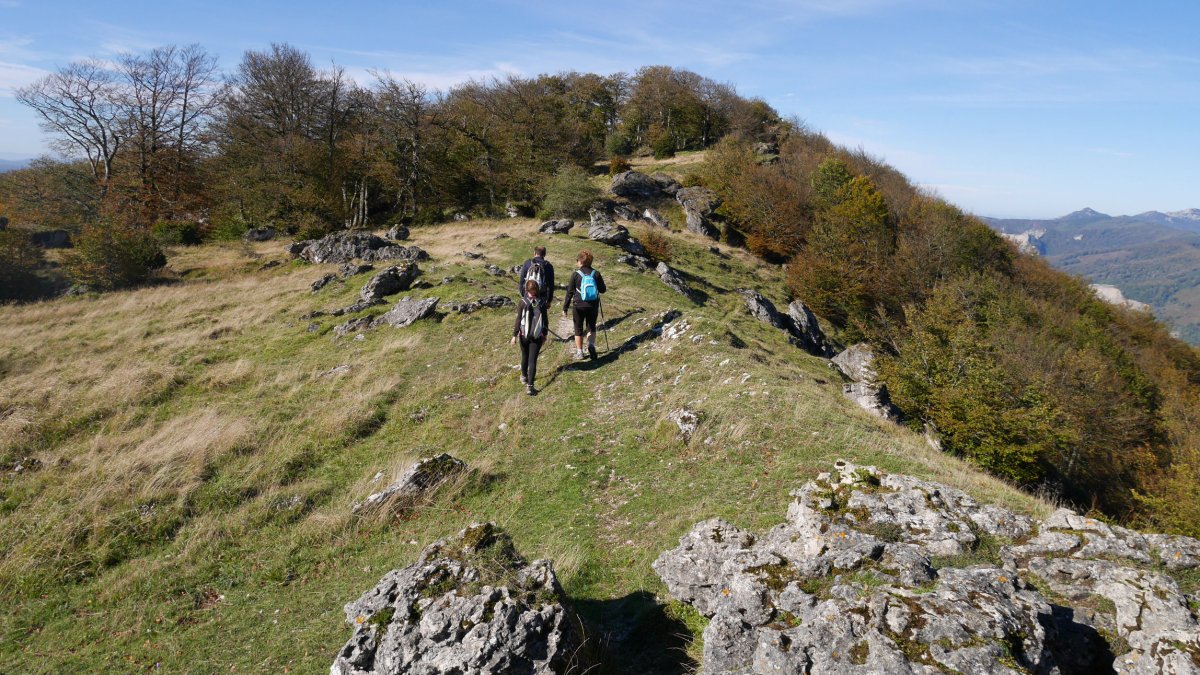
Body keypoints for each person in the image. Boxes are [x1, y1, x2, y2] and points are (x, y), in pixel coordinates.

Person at [562, 249, 606, 360]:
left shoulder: (576, 275)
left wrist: (565, 307)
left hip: (578, 305)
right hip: (593, 305)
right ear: (591, 262)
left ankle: (580, 352)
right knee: (591, 327)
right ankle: (591, 346)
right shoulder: (596, 273)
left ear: (579, 262)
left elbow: (570, 292)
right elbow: (603, 290)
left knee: (578, 328)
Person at [512, 278, 549, 395]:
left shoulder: (522, 302)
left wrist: (514, 335)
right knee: (533, 360)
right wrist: (544, 334)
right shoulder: (542, 302)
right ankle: (530, 386)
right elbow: (545, 321)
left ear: (526, 289)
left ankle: (523, 376)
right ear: (537, 289)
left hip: (524, 335)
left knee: (525, 356)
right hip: (537, 335)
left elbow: (518, 319)